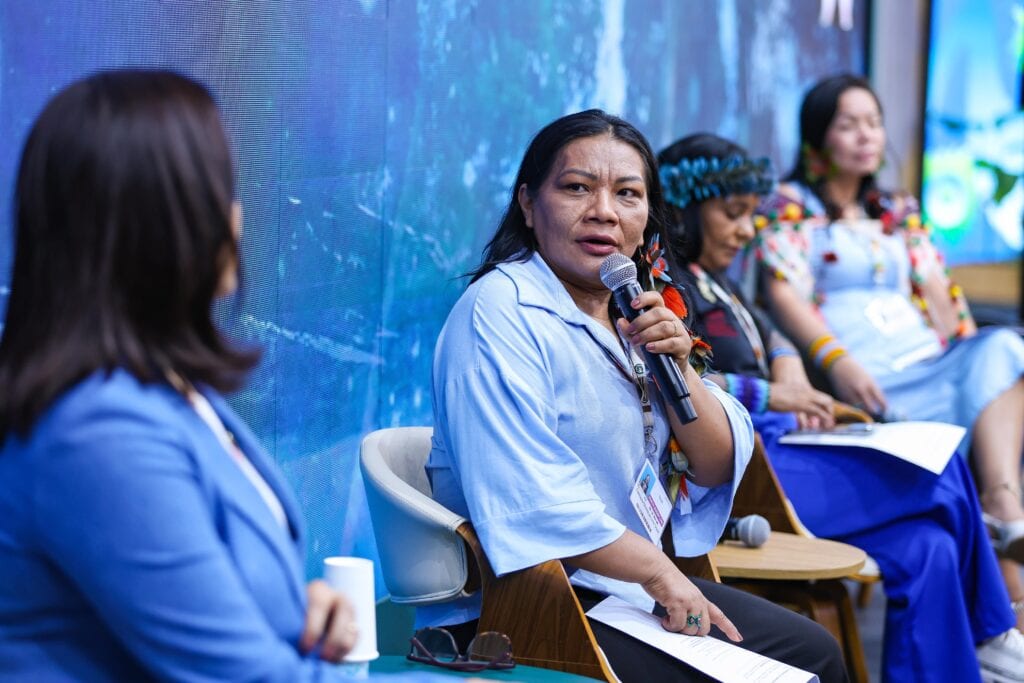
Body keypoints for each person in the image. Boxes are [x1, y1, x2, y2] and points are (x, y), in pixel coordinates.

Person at [0, 70, 447, 683]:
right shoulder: (98, 429)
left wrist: (292, 613)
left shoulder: (165, 391)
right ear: (163, 222)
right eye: (222, 189)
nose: (238, 218)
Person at [423, 109, 848, 682]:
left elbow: (717, 463)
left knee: (814, 651)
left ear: (647, 216)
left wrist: (680, 370)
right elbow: (536, 499)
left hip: (618, 590)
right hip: (527, 603)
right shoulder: (498, 314)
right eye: (576, 188)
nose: (604, 211)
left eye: (627, 193)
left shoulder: (638, 308)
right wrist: (660, 575)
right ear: (528, 203)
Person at [658, 131, 1024, 682]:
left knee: (931, 547)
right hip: (752, 473)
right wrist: (773, 393)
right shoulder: (665, 287)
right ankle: (994, 631)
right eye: (731, 214)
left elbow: (773, 335)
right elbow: (678, 381)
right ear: (684, 211)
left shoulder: (722, 286)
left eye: (749, 215)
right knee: (941, 462)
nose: (744, 230)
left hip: (794, 454)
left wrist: (786, 362)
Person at [754, 73, 1024, 625]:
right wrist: (836, 361)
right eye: (848, 123)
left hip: (931, 364)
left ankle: (1002, 505)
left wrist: (973, 362)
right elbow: (782, 294)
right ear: (817, 136)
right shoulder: (790, 207)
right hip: (866, 377)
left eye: (874, 123)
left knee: (1002, 356)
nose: (866, 136)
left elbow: (942, 295)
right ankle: (1008, 600)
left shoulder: (898, 210)